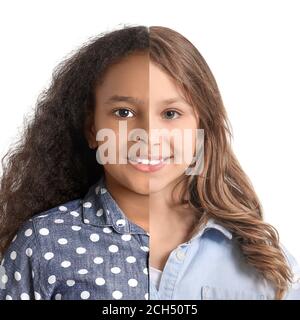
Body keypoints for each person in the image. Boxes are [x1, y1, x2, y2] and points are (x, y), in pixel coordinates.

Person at [0, 25, 299, 300]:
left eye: (170, 114)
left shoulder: (262, 257)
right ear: (92, 129)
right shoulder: (42, 244)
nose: (148, 136)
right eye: (123, 113)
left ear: (201, 130)